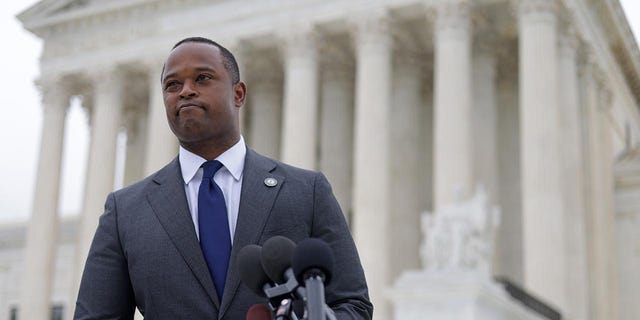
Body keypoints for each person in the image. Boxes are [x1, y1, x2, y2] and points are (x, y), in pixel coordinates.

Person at [73, 37, 373, 319]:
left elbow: (352, 304)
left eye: (202, 78)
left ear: (238, 93)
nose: (185, 91)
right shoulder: (126, 211)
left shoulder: (306, 192)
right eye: (172, 84)